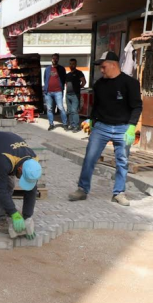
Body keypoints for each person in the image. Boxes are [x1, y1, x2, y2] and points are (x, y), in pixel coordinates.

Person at [69, 51, 142, 206]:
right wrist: (91, 121)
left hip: (123, 128)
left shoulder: (130, 83)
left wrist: (131, 127)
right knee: (90, 158)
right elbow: (97, 106)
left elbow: (137, 107)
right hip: (101, 127)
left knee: (122, 161)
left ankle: (118, 193)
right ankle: (82, 189)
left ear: (113, 64)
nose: (101, 70)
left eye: (103, 67)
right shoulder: (99, 85)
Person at [43, 53, 69, 131]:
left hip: (58, 92)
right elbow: (45, 79)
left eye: (56, 58)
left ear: (58, 59)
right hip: (48, 92)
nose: (54, 60)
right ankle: (51, 124)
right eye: (53, 58)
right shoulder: (47, 69)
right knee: (49, 109)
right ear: (51, 59)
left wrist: (62, 88)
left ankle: (65, 124)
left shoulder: (61, 68)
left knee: (61, 108)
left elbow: (64, 79)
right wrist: (46, 88)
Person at [65, 58, 87, 132]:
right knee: (69, 111)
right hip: (68, 95)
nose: (72, 65)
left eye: (73, 64)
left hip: (75, 95)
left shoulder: (79, 73)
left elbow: (84, 82)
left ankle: (76, 126)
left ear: (76, 64)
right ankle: (71, 124)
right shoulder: (68, 74)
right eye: (70, 64)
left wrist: (79, 87)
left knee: (74, 110)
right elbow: (66, 83)